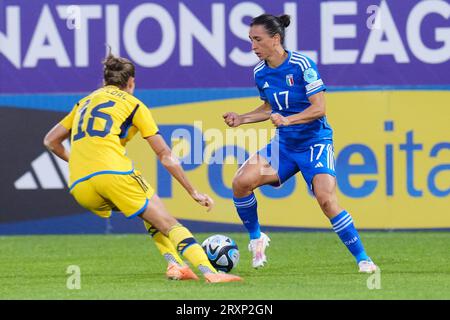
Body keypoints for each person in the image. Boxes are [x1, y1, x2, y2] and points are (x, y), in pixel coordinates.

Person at [44, 52, 242, 283]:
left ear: (106, 80)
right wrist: (192, 191)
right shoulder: (134, 104)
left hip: (80, 186)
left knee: (149, 207)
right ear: (131, 82)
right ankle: (210, 272)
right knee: (168, 222)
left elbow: (50, 141)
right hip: (114, 174)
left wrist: (78, 162)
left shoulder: (84, 103)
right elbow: (165, 155)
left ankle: (175, 264)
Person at [223, 14, 377, 273]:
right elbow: (270, 107)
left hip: (314, 141)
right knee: (240, 182)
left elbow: (319, 108)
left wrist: (289, 120)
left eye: (257, 40)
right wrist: (242, 118)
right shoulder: (260, 72)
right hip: (284, 146)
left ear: (275, 39)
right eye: (250, 40)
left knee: (326, 199)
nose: (253, 47)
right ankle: (256, 238)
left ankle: (363, 259)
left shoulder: (302, 64)